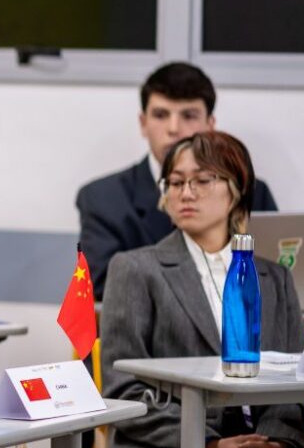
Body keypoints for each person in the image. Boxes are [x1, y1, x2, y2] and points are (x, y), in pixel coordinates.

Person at [101, 131, 304, 448]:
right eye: (175, 182)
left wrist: (275, 445)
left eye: (202, 180)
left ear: (236, 189)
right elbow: (123, 390)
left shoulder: (274, 278)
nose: (186, 192)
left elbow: (297, 381)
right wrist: (209, 444)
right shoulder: (136, 269)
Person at [77, 62, 278, 299]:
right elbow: (103, 287)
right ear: (143, 123)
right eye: (160, 115)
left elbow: (274, 277)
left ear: (210, 125)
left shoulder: (249, 190)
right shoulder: (103, 198)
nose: (174, 129)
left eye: (189, 115)